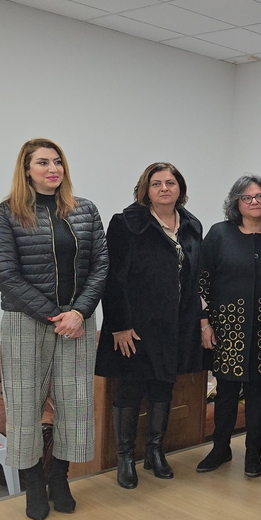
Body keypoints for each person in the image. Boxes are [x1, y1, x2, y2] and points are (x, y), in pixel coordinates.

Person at [0, 138, 108, 520]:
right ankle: (34, 485)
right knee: (25, 406)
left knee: (74, 403)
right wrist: (55, 316)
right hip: (25, 321)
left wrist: (79, 312)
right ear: (27, 169)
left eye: (57, 161)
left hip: (78, 322)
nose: (53, 168)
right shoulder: (8, 213)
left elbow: (101, 265)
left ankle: (60, 478)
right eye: (43, 162)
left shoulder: (85, 210)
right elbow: (6, 274)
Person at [96, 162, 203, 490]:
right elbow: (113, 278)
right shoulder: (126, 223)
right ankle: (125, 458)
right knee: (130, 389)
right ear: (146, 190)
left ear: (180, 188)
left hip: (174, 325)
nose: (164, 188)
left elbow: (194, 278)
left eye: (170, 182)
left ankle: (155, 452)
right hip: (134, 326)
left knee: (163, 388)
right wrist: (119, 325)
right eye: (156, 183)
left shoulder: (191, 225)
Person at [196, 175, 261, 477]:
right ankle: (220, 449)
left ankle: (254, 453)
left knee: (258, 390)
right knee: (226, 390)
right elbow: (202, 281)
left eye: (260, 196)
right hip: (228, 328)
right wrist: (204, 323)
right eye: (246, 197)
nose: (254, 202)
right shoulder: (219, 234)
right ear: (236, 203)